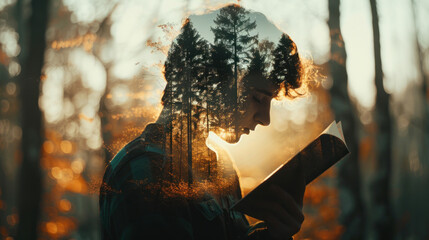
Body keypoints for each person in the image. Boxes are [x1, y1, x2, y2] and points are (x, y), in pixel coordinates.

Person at [100, 5, 307, 240]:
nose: (265, 119)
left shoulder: (222, 168)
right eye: (258, 98)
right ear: (211, 80)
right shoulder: (146, 172)